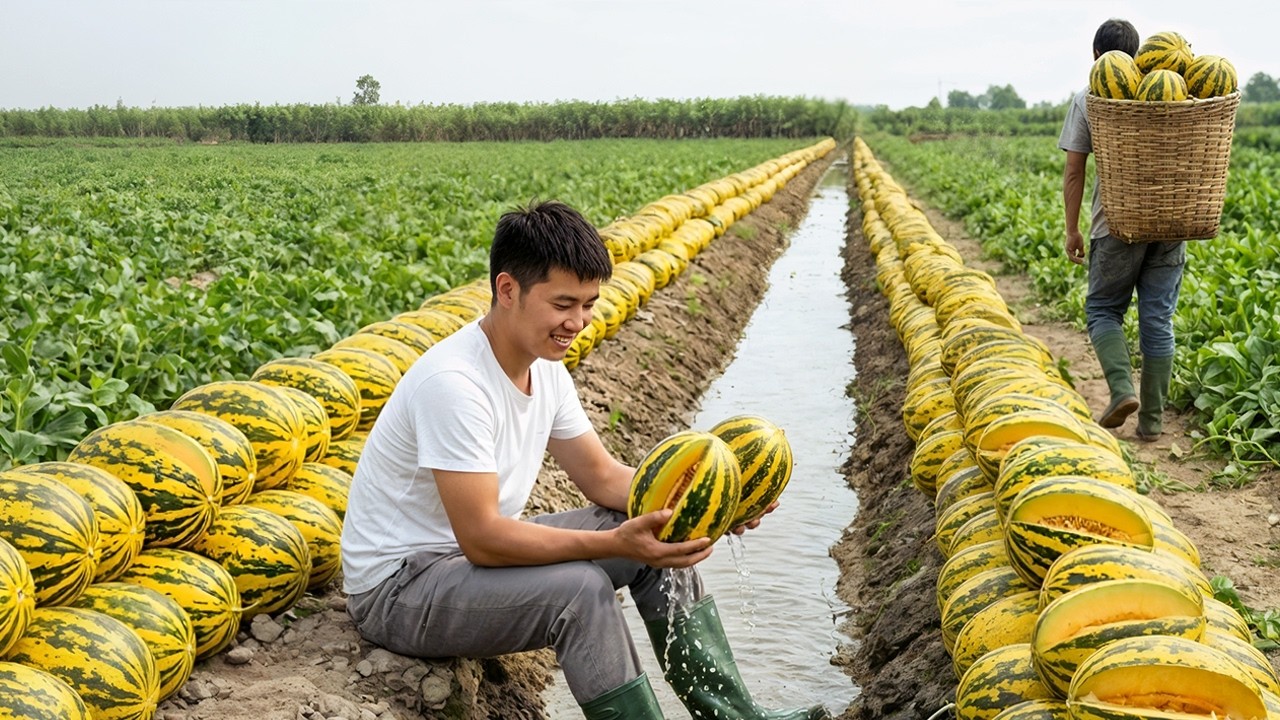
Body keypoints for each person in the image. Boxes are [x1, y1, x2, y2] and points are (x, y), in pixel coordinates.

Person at [340, 200, 829, 720]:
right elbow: (481, 538)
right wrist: (612, 544)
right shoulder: (454, 385)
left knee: (653, 527)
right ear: (508, 290)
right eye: (563, 304)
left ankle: (735, 717)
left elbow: (600, 476)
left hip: (456, 567)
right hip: (399, 589)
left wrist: (704, 511)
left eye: (589, 304)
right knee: (579, 591)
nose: (578, 322)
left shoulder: (545, 368)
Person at [1060, 18, 1184, 442]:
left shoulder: (1089, 97)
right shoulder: (1173, 94)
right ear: (1140, 57)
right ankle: (1151, 423)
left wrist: (1072, 229)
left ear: (1097, 56)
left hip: (1115, 222)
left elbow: (1074, 169)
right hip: (1171, 221)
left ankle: (1120, 391)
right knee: (1158, 318)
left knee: (1103, 310)